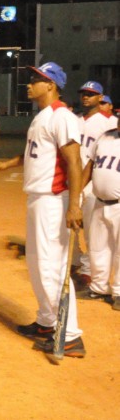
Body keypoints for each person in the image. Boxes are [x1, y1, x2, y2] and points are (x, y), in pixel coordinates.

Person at [0, 62, 86, 358]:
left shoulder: (62, 116)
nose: (29, 84)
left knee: (51, 266)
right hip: (37, 198)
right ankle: (47, 322)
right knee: (36, 264)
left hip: (53, 200)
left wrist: (75, 205)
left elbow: (74, 162)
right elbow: (35, 153)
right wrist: (6, 164)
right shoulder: (42, 117)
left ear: (52, 85)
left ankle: (70, 336)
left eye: (37, 79)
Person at [71, 81, 118, 289]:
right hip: (77, 181)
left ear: (101, 97)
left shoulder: (108, 122)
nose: (86, 97)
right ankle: (79, 265)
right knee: (73, 228)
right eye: (84, 93)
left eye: (91, 94)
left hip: (97, 186)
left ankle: (91, 272)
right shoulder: (75, 120)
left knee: (93, 232)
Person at [80, 114, 120, 310]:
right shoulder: (104, 137)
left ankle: (119, 292)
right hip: (99, 201)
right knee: (98, 247)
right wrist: (78, 189)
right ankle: (98, 287)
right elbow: (90, 166)